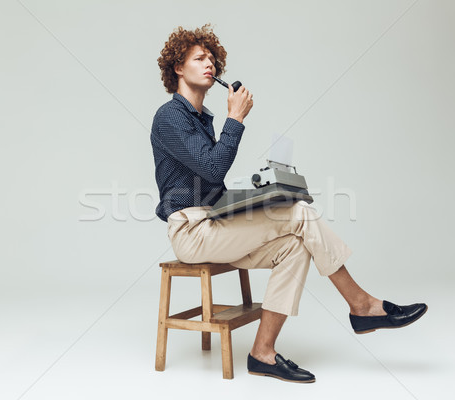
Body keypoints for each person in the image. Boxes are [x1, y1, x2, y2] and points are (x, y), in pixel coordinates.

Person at [150, 25, 427, 383]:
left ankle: (262, 352)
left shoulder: (202, 121)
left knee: (296, 246)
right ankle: (361, 306)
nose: (211, 66)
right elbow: (212, 167)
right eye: (200, 59)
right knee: (298, 212)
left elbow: (211, 181)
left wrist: (252, 198)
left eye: (212, 60)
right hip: (192, 232)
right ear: (177, 67)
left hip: (216, 224)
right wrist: (235, 119)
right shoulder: (170, 116)